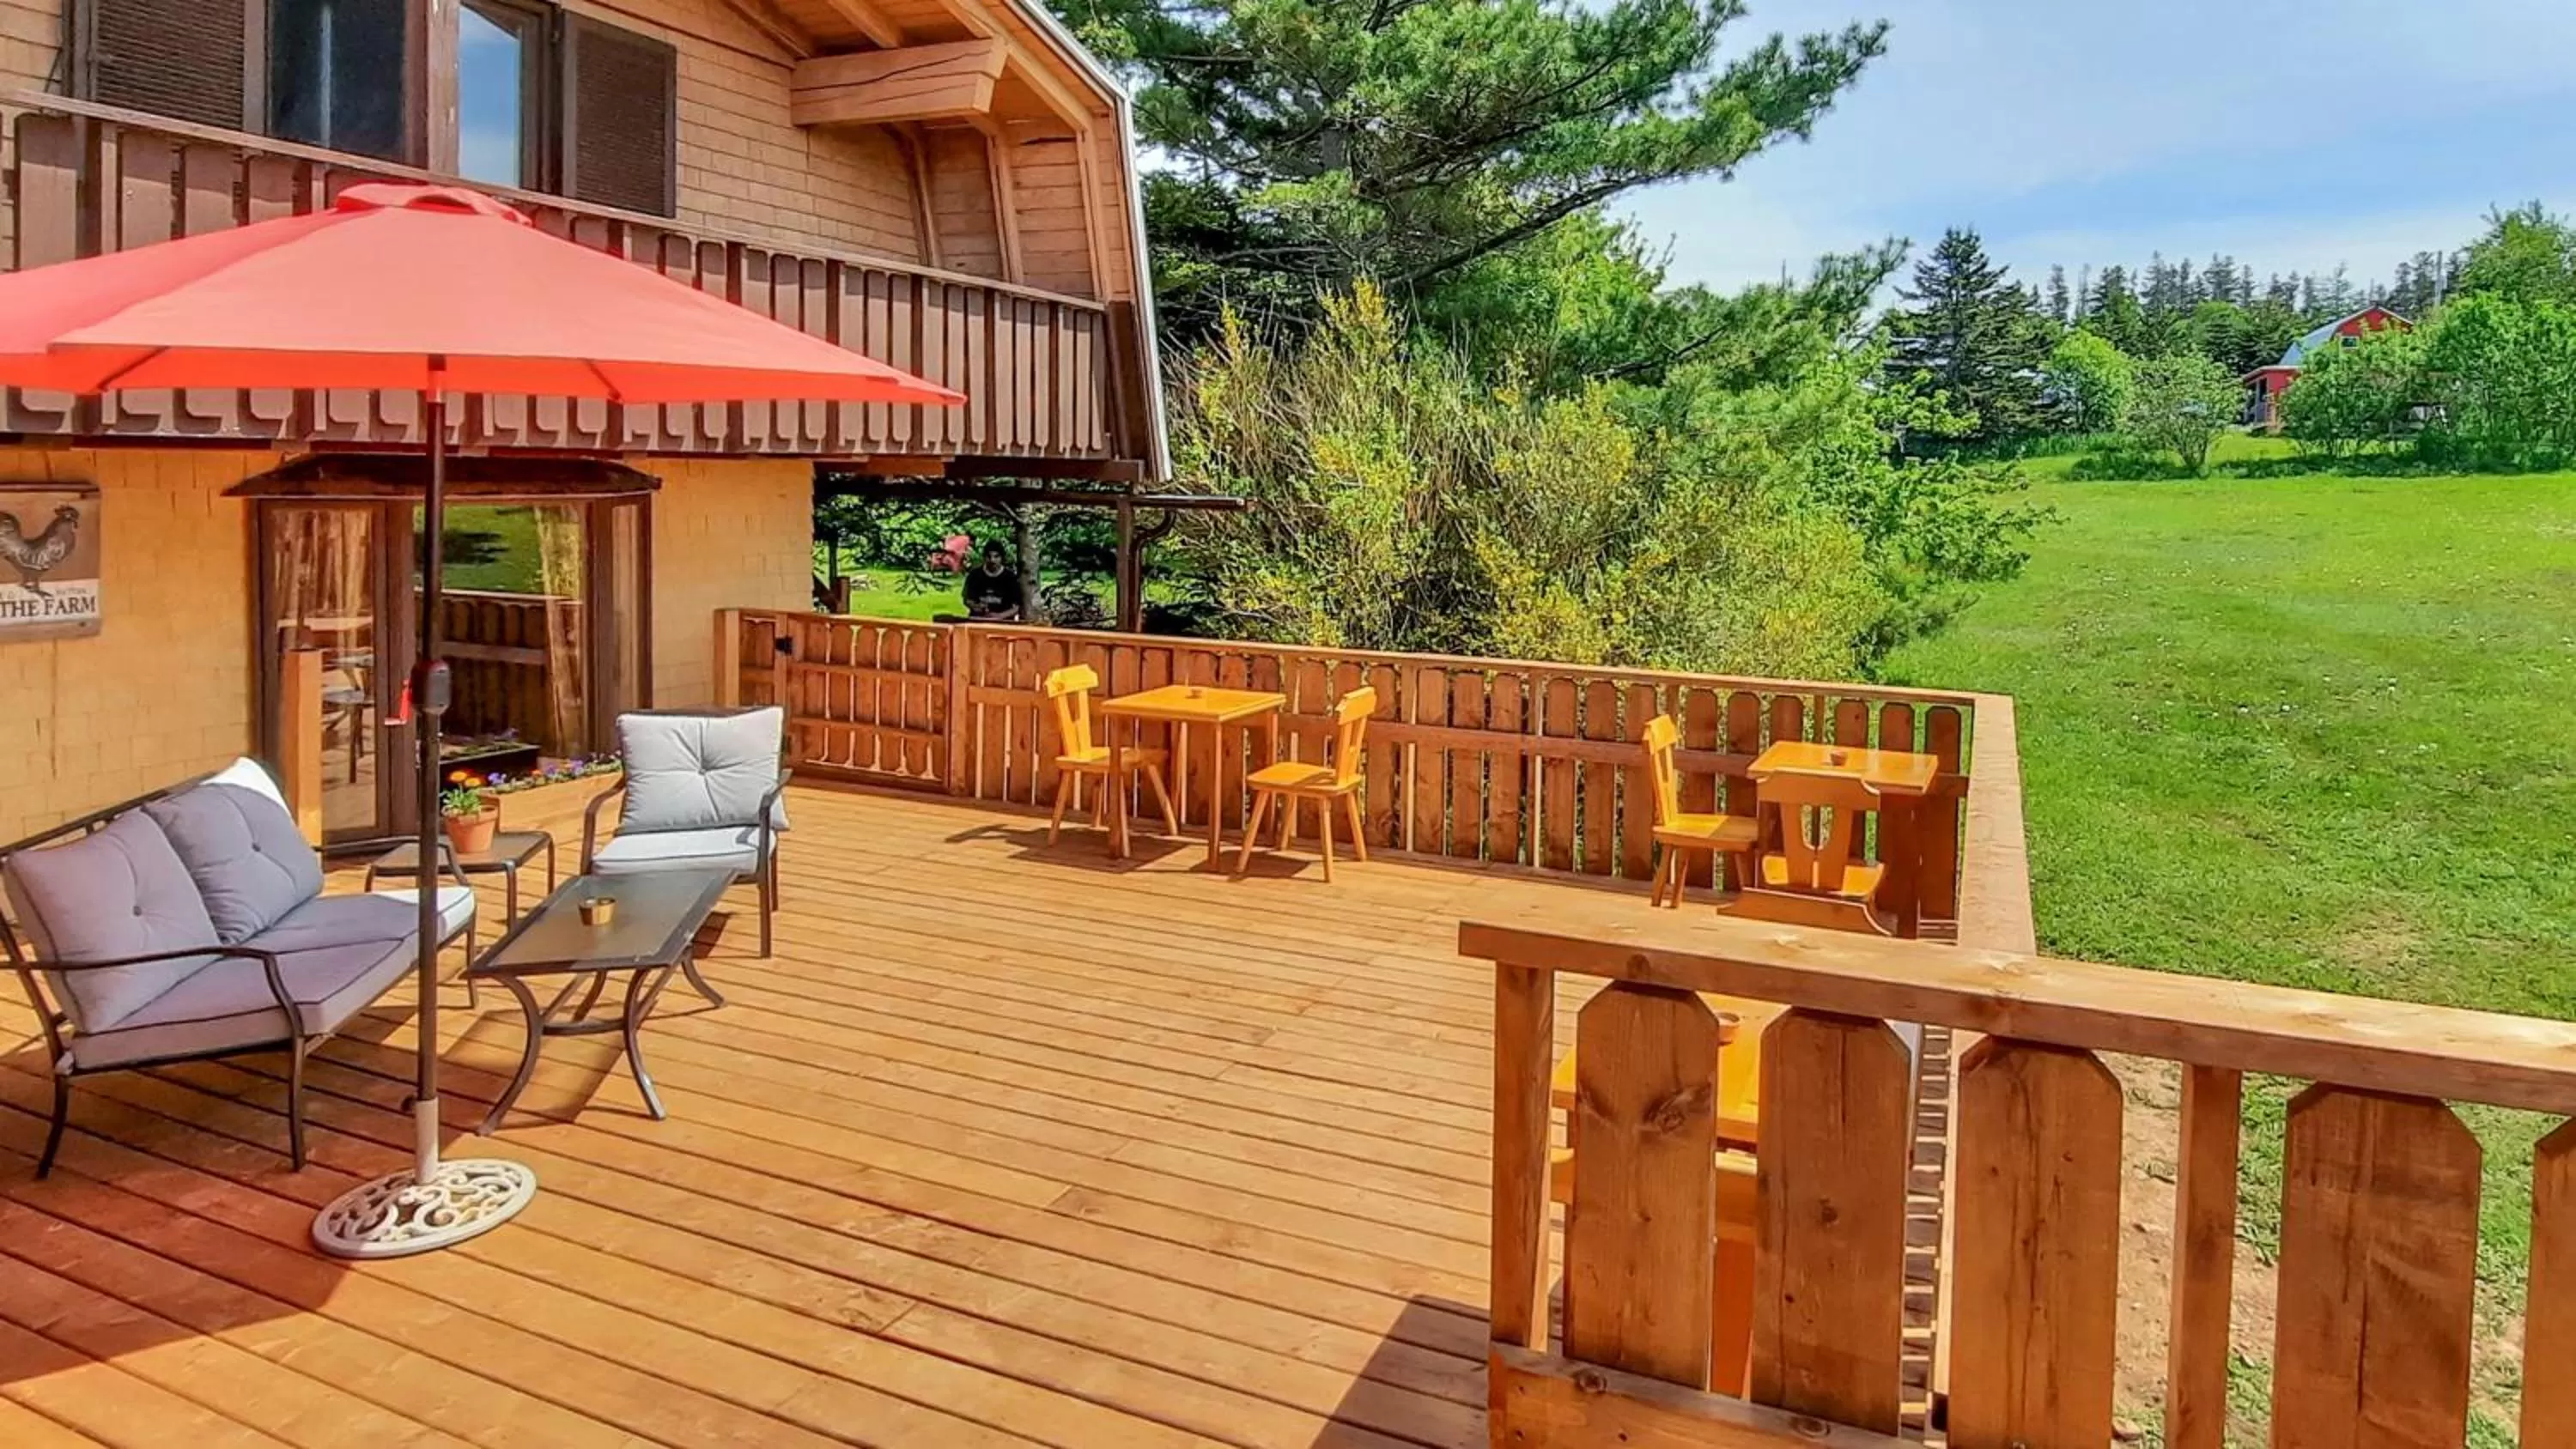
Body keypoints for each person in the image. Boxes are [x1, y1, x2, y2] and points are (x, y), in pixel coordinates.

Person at [960, 540, 1022, 621]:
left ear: (1002, 558)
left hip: (1003, 622)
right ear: (984, 557)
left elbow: (1017, 607)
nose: (992, 560)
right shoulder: (975, 575)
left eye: (996, 557)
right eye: (989, 557)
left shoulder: (1010, 578)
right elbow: (967, 600)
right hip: (978, 621)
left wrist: (999, 616)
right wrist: (976, 607)